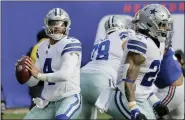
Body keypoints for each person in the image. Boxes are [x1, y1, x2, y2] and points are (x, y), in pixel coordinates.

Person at [95, 4, 172, 120]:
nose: (166, 28)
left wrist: (155, 101)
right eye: (162, 24)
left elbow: (143, 81)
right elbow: (128, 80)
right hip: (124, 97)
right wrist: (133, 108)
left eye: (166, 25)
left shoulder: (159, 44)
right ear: (149, 24)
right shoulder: (140, 42)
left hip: (140, 98)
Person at [16, 8, 82, 119]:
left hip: (68, 98)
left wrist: (39, 75)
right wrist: (23, 71)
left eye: (61, 23)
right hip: (47, 102)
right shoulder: (41, 47)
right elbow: (34, 82)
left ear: (66, 25)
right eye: (53, 23)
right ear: (47, 25)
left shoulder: (71, 43)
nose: (57, 27)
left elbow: (65, 75)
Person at [80, 15, 134, 119]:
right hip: (102, 79)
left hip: (81, 78)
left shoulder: (101, 41)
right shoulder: (125, 34)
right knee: (131, 115)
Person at [26, 29, 48, 110]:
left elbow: (26, 62)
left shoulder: (34, 48)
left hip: (34, 77)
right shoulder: (54, 47)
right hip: (49, 77)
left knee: (35, 101)